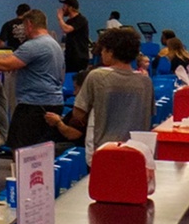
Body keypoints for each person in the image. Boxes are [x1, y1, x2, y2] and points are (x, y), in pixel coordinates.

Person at [0, 9, 64, 148]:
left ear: (29, 24)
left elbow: (5, 64)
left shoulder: (34, 45)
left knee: (21, 149)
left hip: (34, 104)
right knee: (41, 150)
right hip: (53, 102)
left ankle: (21, 170)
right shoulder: (54, 45)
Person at [51, 27, 153, 159]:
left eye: (103, 50)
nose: (101, 54)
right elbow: (148, 114)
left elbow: (78, 114)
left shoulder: (97, 76)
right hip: (137, 151)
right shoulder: (146, 81)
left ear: (110, 52)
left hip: (103, 151)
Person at [57, 0, 91, 75]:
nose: (63, 8)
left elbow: (66, 29)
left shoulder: (81, 19)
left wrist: (60, 18)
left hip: (79, 56)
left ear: (71, 7)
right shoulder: (69, 21)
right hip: (70, 55)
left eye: (65, 6)